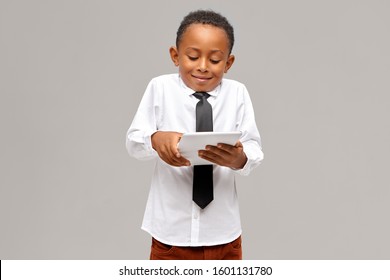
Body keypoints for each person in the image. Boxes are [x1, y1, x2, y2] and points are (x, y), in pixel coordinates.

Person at [126, 10, 264, 260]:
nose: (202, 66)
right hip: (170, 235)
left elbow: (253, 145)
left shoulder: (238, 93)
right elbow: (134, 140)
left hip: (224, 235)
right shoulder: (160, 88)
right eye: (192, 56)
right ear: (175, 56)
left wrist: (239, 159)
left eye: (214, 60)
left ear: (228, 63)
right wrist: (155, 139)